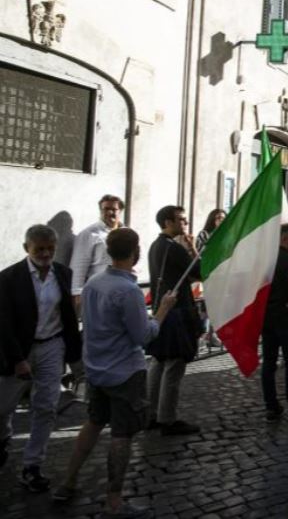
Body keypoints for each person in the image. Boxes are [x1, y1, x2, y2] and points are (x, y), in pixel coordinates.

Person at [52, 228, 177, 517]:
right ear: (135, 251)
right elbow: (143, 335)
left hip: (97, 369)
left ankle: (68, 481)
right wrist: (163, 310)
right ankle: (114, 502)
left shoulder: (94, 282)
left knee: (94, 423)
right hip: (124, 373)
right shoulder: (128, 290)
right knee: (122, 435)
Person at [0, 225, 82, 490]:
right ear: (27, 249)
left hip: (52, 346)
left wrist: (74, 357)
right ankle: (4, 438)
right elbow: (3, 323)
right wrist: (17, 358)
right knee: (3, 407)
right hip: (19, 350)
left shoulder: (63, 274)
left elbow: (69, 317)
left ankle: (32, 465)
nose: (46, 254)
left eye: (50, 248)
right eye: (40, 249)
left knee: (46, 406)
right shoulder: (9, 278)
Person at [146, 205, 201, 436]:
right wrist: (192, 248)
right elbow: (199, 271)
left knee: (159, 362)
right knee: (173, 365)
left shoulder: (155, 246)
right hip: (176, 312)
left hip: (162, 310)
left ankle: (151, 414)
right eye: (181, 220)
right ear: (167, 222)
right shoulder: (173, 248)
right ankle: (167, 419)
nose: (185, 224)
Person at [261, 224, 288, 422]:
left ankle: (272, 407)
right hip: (286, 317)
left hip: (267, 316)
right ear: (282, 239)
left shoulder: (266, 260)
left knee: (269, 363)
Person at [70, 194, 124, 306]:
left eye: (114, 209)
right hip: (99, 292)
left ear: (120, 211)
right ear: (100, 211)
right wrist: (78, 293)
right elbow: (78, 266)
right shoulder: (89, 234)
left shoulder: (127, 233)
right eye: (106, 209)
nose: (110, 212)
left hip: (124, 290)